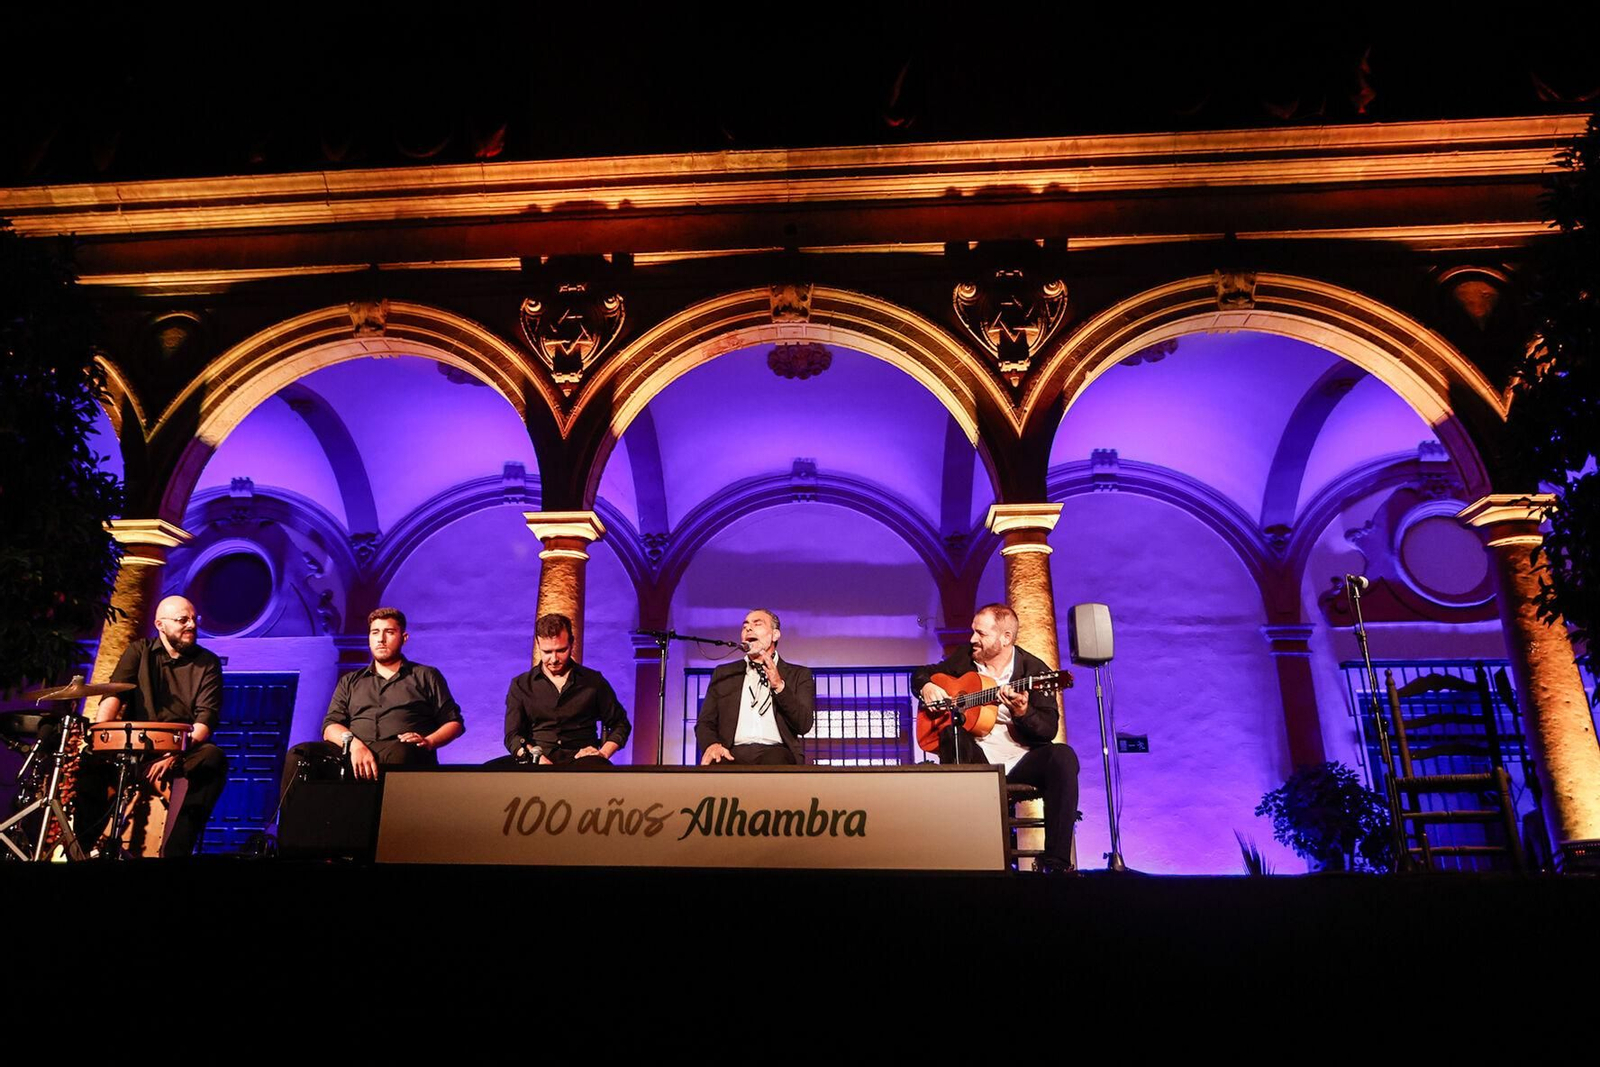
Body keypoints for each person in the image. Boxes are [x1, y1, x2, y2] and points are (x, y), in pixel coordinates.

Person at [913, 603, 1079, 873]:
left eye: (981, 633)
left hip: (1021, 759)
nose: (972, 639)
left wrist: (1023, 713)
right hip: (975, 759)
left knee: (1063, 757)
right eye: (973, 631)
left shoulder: (1035, 671)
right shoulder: (965, 659)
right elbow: (921, 674)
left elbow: (1048, 730)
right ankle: (974, 859)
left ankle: (1056, 863)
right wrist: (927, 686)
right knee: (952, 733)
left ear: (1006, 638)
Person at [80, 594, 229, 857]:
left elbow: (205, 719)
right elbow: (114, 695)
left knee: (213, 759)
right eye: (182, 620)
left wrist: (173, 753)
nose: (192, 625)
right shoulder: (139, 651)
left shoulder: (208, 662)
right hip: (134, 747)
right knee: (90, 761)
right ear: (160, 624)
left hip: (182, 749)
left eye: (194, 619)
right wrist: (101, 735)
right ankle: (81, 847)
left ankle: (175, 852)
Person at [280, 607, 464, 796]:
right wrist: (356, 747)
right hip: (353, 751)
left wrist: (429, 741)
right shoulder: (350, 681)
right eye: (375, 632)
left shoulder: (426, 675)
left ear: (404, 638)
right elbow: (330, 726)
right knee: (300, 755)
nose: (381, 639)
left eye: (389, 632)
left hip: (401, 751)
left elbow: (454, 722)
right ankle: (290, 817)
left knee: (402, 752)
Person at [501, 613, 630, 766]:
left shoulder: (593, 681)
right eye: (547, 652)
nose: (554, 659)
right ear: (538, 645)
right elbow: (512, 736)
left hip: (583, 762)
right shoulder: (521, 685)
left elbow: (621, 724)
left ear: (572, 643)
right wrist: (534, 757)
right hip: (537, 762)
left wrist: (602, 754)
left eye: (561, 650)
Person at [696, 609, 815, 765]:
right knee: (718, 764)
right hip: (731, 753)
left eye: (757, 624)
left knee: (776, 760)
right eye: (745, 626)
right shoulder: (724, 673)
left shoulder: (799, 675)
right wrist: (712, 745)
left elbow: (804, 724)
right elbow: (705, 723)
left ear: (775, 635)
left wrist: (779, 686)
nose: (748, 628)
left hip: (777, 753)